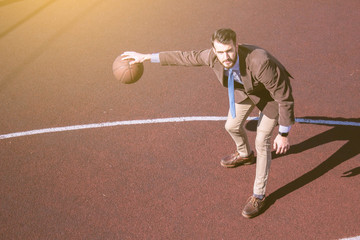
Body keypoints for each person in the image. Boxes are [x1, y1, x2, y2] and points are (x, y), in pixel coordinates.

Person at [121, 28, 295, 218]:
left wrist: (284, 133)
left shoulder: (260, 62)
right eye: (220, 52)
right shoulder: (213, 56)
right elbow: (185, 57)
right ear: (213, 49)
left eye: (229, 50)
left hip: (271, 98)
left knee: (262, 142)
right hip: (246, 89)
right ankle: (245, 155)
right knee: (231, 126)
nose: (225, 56)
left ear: (236, 46)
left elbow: (284, 97)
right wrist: (147, 57)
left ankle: (259, 195)